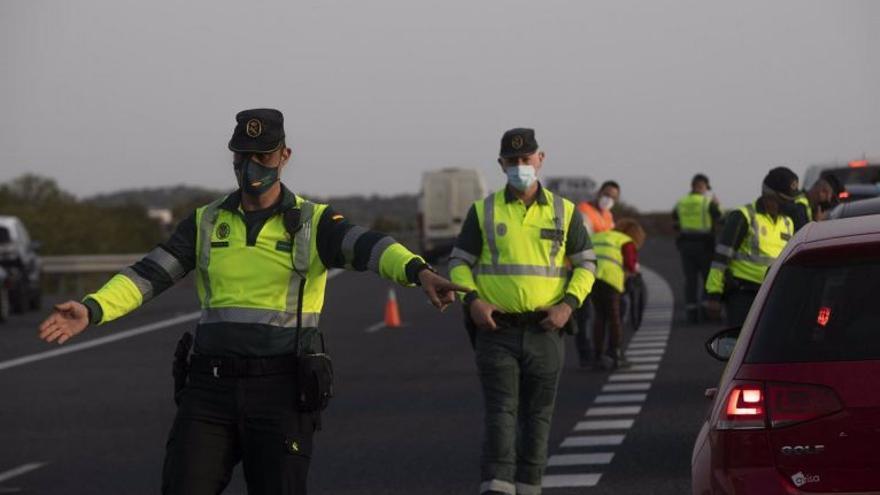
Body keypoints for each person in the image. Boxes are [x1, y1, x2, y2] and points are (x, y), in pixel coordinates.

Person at [37, 108, 467, 495]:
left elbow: (369, 245)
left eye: (263, 156)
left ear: (284, 155)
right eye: (244, 155)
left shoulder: (313, 223)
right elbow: (149, 275)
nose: (252, 166)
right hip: (209, 389)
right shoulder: (207, 222)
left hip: (281, 390)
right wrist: (91, 309)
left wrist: (419, 272)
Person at [448, 128, 596, 495]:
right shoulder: (483, 211)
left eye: (525, 160)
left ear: (540, 159)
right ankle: (497, 485)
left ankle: (530, 485)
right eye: (512, 161)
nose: (519, 167)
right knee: (501, 411)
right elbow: (458, 263)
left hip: (546, 330)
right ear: (501, 164)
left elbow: (587, 265)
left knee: (538, 416)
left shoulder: (565, 212)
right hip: (497, 330)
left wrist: (568, 306)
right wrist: (473, 301)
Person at [705, 167, 798, 327]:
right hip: (743, 296)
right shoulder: (743, 216)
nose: (788, 205)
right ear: (769, 195)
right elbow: (721, 259)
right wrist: (714, 296)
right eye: (784, 200)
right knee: (739, 347)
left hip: (773, 295)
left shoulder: (787, 223)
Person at [572, 180, 619, 365]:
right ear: (599, 192)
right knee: (584, 315)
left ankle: (603, 351)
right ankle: (586, 355)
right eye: (607, 194)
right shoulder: (585, 211)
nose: (609, 199)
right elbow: (586, 242)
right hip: (579, 268)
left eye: (614, 197)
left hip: (601, 272)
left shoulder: (607, 215)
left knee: (603, 312)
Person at [590, 218, 645, 370]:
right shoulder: (626, 241)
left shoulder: (599, 235)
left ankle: (597, 357)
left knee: (599, 317)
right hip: (610, 279)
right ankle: (616, 356)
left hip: (592, 278)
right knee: (614, 318)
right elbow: (630, 265)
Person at [672, 174, 721, 323]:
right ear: (701, 186)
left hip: (686, 245)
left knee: (690, 280)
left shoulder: (681, 202)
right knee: (707, 279)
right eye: (706, 187)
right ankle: (706, 313)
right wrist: (716, 204)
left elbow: (675, 218)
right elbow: (719, 217)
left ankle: (691, 314)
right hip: (704, 245)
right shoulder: (707, 202)